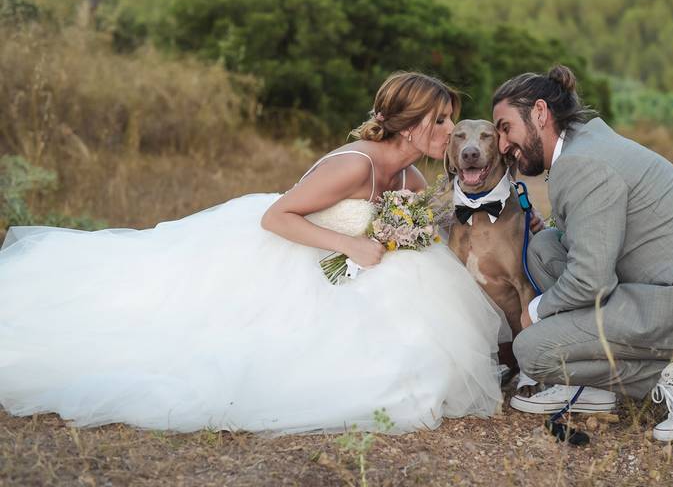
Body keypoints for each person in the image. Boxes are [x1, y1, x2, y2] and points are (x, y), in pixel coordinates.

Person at [0, 72, 502, 434]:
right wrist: (351, 244)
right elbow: (277, 217)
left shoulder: (411, 177)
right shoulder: (354, 165)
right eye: (440, 121)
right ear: (409, 124)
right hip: (280, 249)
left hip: (342, 265)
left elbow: (408, 233)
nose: (449, 133)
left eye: (450, 121)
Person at [492, 65, 673, 442]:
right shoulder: (584, 144)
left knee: (532, 350)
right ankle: (594, 388)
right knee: (545, 248)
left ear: (539, 113)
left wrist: (534, 311)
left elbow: (591, 281)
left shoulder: (582, 163)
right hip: (665, 283)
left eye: (505, 128)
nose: (503, 145)